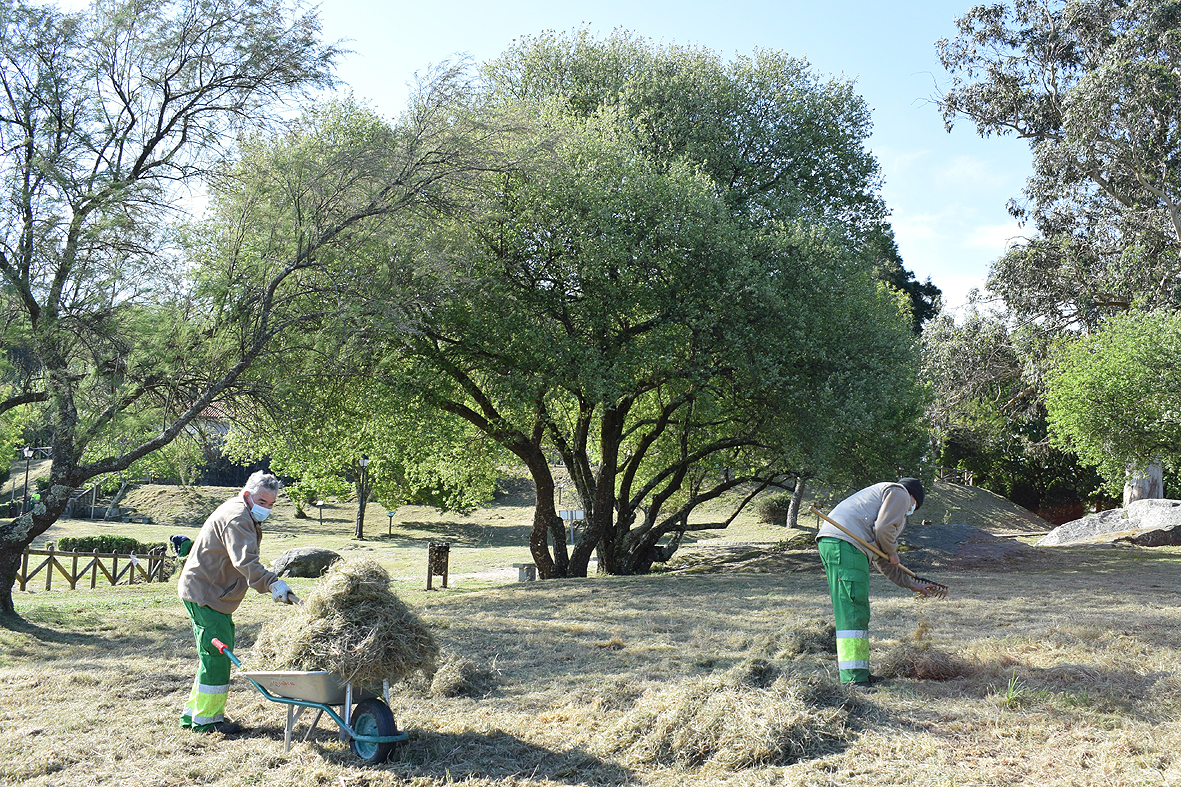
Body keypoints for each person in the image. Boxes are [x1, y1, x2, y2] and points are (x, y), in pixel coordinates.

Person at [176, 471, 298, 734]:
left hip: (212, 592)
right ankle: (207, 722)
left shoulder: (245, 513)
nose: (266, 508)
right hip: (206, 593)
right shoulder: (237, 518)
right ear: (247, 495)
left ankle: (193, 716)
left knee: (212, 654)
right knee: (218, 656)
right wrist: (272, 583)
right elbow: (245, 561)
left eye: (271, 504)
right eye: (262, 501)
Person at [816, 477, 942, 688]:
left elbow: (881, 557)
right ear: (913, 498)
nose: (910, 510)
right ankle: (854, 678)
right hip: (845, 545)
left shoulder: (882, 501)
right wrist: (893, 552)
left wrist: (911, 584)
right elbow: (884, 531)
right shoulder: (900, 492)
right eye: (914, 507)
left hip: (842, 544)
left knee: (856, 608)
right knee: (854, 608)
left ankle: (860, 673)